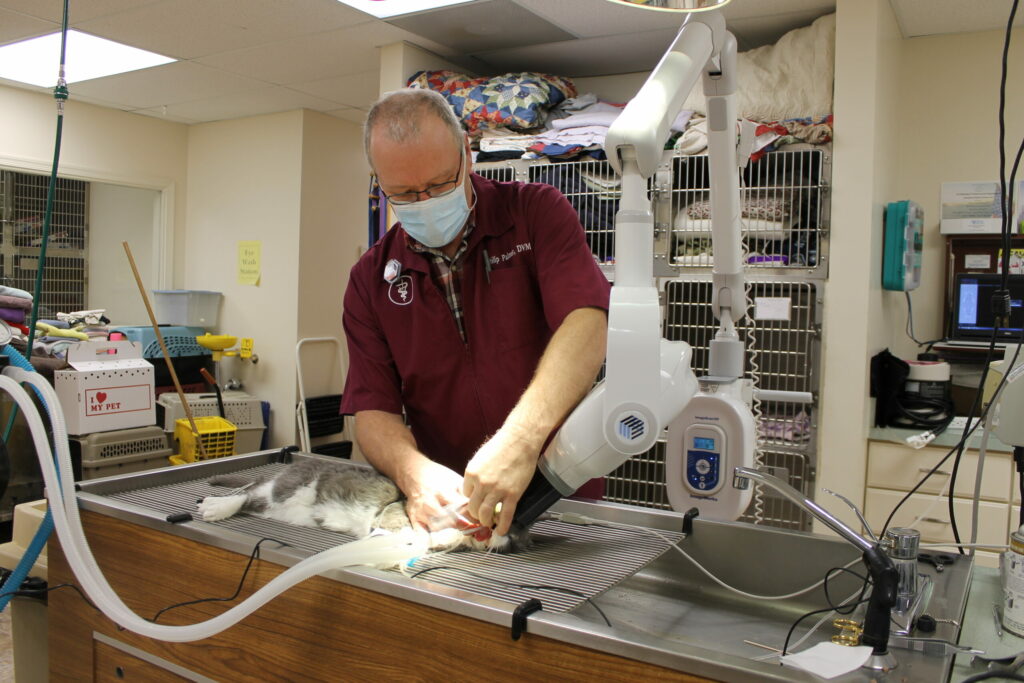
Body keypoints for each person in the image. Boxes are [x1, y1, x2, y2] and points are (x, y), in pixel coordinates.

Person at [340, 88, 610, 537]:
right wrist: (415, 477)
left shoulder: (534, 213)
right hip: (453, 512)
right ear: (378, 182)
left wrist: (520, 442)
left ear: (467, 154)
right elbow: (372, 411)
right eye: (405, 194)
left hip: (562, 487)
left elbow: (587, 320)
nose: (426, 201)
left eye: (441, 183)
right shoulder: (370, 281)